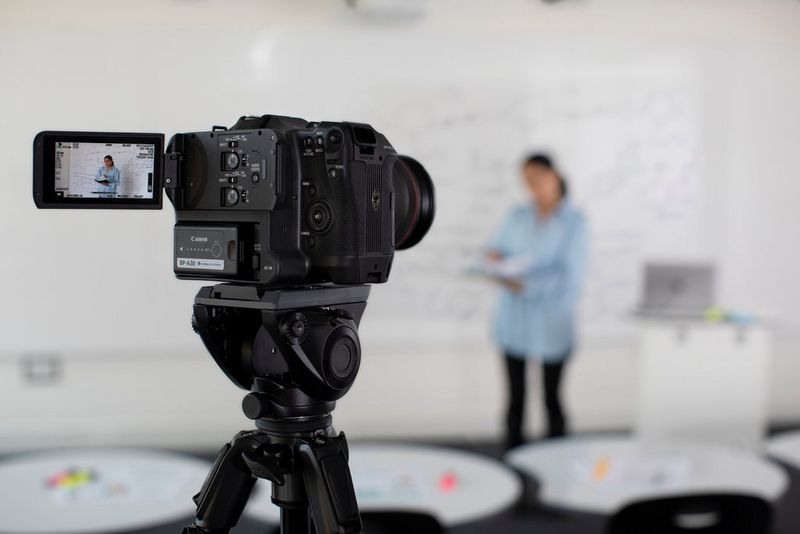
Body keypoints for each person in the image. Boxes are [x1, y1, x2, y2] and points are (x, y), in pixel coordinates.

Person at [486, 153, 588, 451]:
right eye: (526, 181)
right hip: (513, 321)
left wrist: (525, 285)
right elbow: (495, 251)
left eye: (536, 178)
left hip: (552, 321)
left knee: (551, 399)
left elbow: (570, 277)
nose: (531, 187)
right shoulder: (517, 215)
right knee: (514, 400)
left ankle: (557, 462)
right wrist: (494, 262)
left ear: (554, 175)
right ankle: (513, 465)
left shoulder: (575, 222)